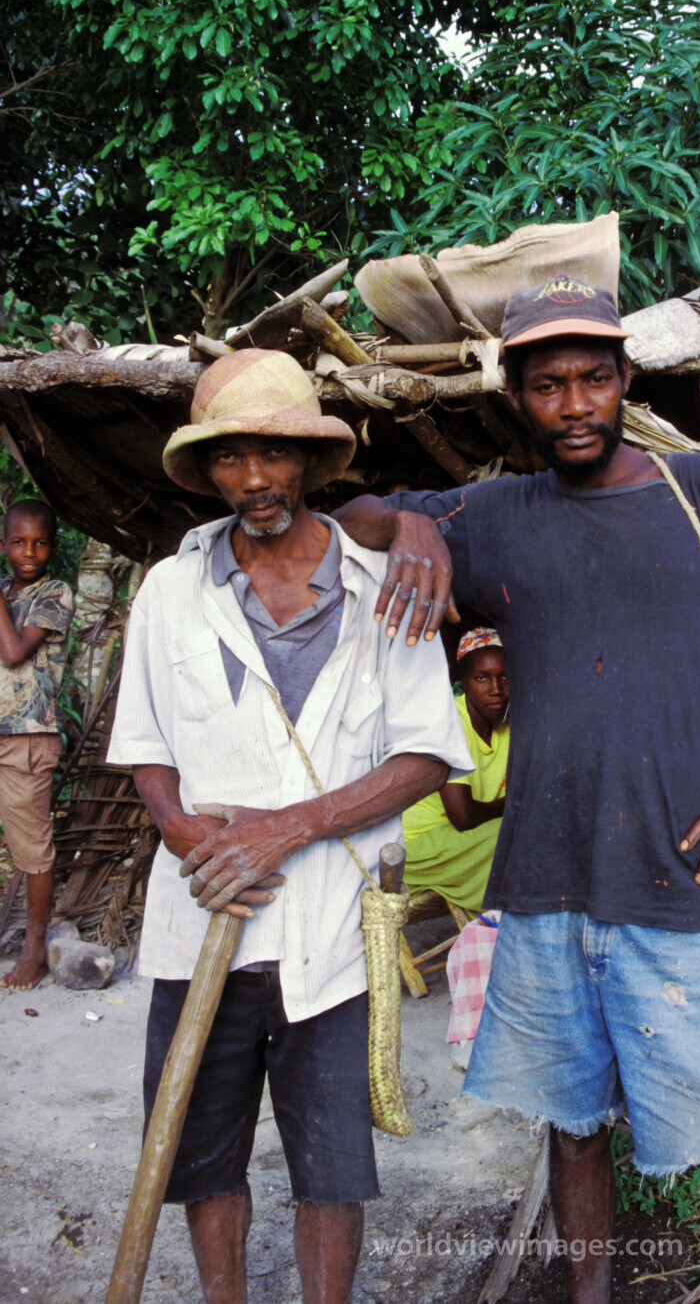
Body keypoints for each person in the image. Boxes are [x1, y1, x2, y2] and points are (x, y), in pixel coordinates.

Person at [334, 275, 700, 1304]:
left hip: (684, 881)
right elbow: (353, 512)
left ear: (624, 380)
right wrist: (409, 526)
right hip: (543, 889)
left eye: (592, 379)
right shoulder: (493, 513)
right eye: (547, 386)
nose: (573, 404)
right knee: (571, 1132)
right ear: (515, 398)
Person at [107, 348, 471, 1304]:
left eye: (275, 455)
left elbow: (427, 753)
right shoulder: (168, 592)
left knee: (332, 1168)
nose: (255, 480)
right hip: (202, 921)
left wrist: (288, 827)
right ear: (208, 469)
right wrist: (187, 834)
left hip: (331, 930)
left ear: (311, 461)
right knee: (199, 1153)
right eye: (232, 459)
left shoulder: (382, 586)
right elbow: (145, 746)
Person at [0, 499, 74, 992]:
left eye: (40, 541)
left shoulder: (55, 593)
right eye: (19, 542)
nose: (30, 551)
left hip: (27, 738)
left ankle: (34, 950)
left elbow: (14, 653)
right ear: (3, 545)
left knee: (32, 850)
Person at [402, 627, 509, 913]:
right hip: (418, 849)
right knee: (513, 835)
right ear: (464, 681)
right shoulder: (449, 721)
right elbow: (462, 817)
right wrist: (511, 804)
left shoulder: (509, 726)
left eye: (505, 676)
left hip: (463, 841)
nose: (496, 689)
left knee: (528, 832)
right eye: (482, 678)